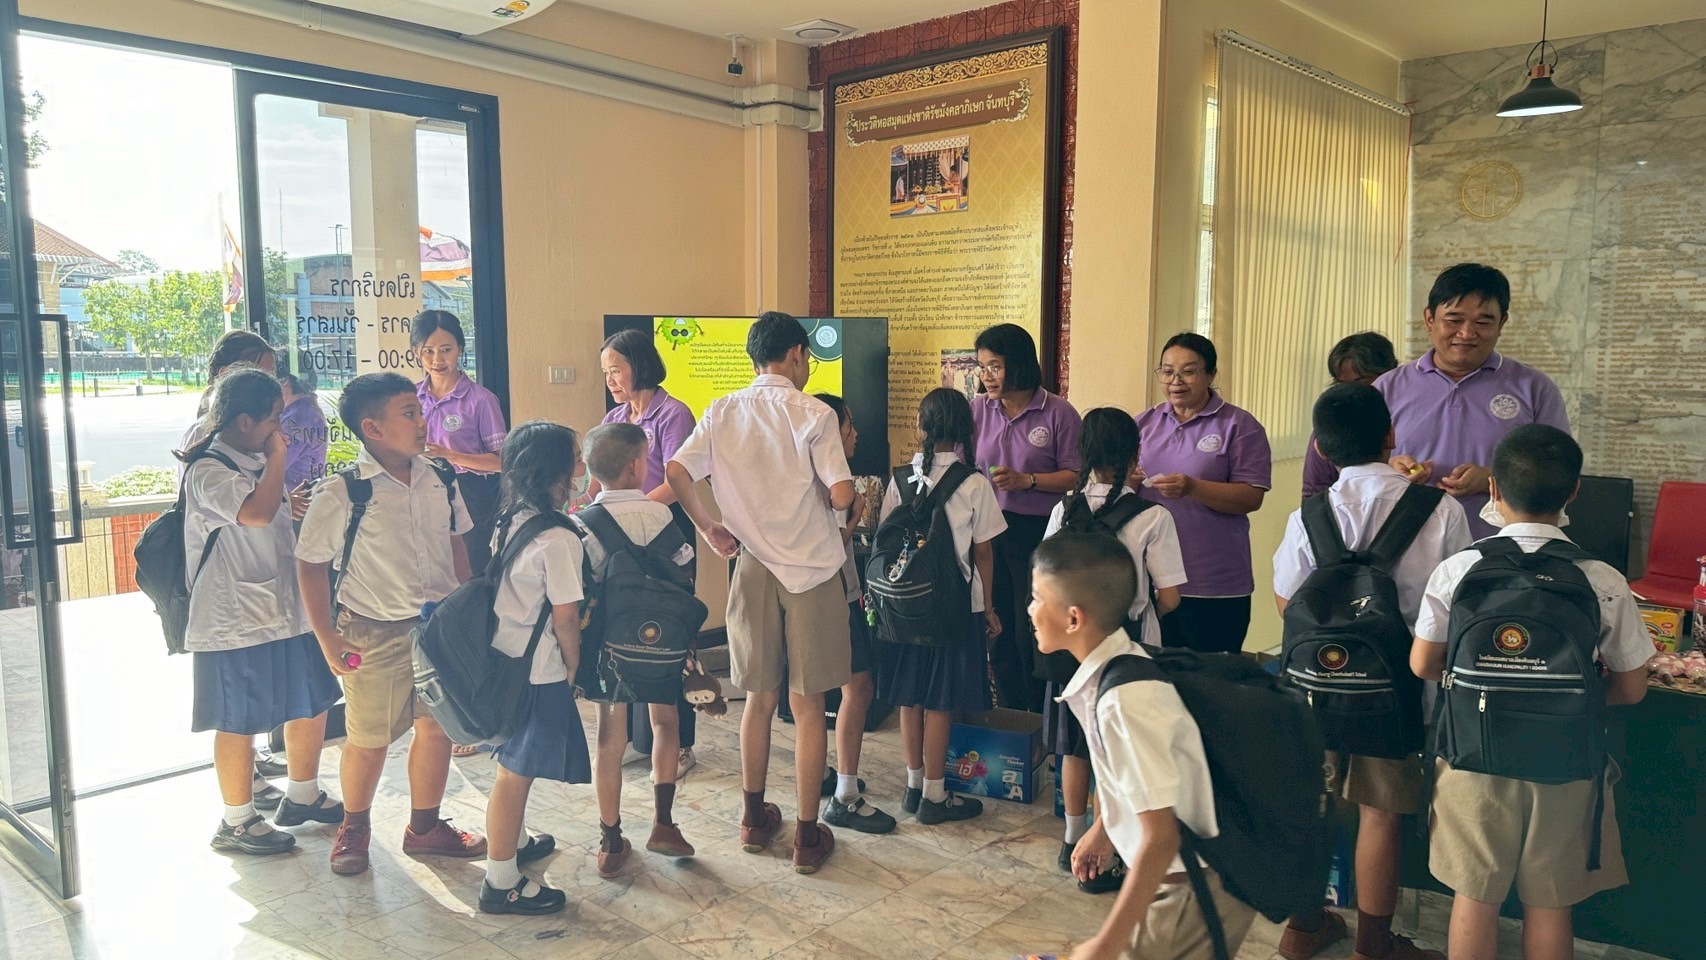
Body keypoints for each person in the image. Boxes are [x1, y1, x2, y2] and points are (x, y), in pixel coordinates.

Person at [1410, 425, 1648, 960]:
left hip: (1473, 753)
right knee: (1550, 904)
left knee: (1475, 898)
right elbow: (1632, 688)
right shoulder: (1603, 579)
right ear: (1573, 493)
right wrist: (1568, 698)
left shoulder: (1458, 569)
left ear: (1493, 488)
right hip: (1565, 759)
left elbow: (1423, 663)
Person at [1272, 383, 1470, 960]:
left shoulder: (1308, 514)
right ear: (1390, 435)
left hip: (1314, 687)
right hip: (1400, 689)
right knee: (1381, 814)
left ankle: (1303, 928)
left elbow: (1287, 603)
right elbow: (1457, 606)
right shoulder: (1441, 510)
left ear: (1320, 447)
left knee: (1313, 802)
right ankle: (1373, 947)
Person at [666, 311, 855, 874]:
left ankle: (752, 820)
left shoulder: (722, 410)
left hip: (750, 567)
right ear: (796, 354)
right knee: (809, 704)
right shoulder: (815, 412)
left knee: (758, 698)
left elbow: (677, 471)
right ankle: (806, 837)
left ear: (754, 357)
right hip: (810, 572)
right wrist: (843, 496)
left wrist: (709, 526)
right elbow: (841, 494)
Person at [295, 372, 485, 876]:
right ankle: (354, 827)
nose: (422, 422)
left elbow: (457, 544)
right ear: (372, 428)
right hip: (373, 630)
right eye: (409, 413)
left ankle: (425, 828)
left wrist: (468, 609)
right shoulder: (345, 491)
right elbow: (310, 565)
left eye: (419, 411)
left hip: (438, 628)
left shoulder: (441, 478)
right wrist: (327, 636)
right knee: (368, 737)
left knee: (436, 728)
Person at [1031, 533, 1255, 960]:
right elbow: (1141, 781)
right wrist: (1105, 828)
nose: (1029, 610)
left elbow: (1161, 837)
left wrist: (1105, 944)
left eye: (1037, 598)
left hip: (1192, 887)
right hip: (1180, 878)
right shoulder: (1119, 666)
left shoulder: (1124, 700)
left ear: (1073, 618)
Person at [179, 367, 342, 856]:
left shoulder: (254, 460)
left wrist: (284, 488)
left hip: (284, 608)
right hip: (235, 620)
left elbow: (271, 513)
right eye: (274, 419)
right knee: (238, 719)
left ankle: (302, 793)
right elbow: (254, 513)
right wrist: (278, 460)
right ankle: (237, 820)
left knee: (311, 700)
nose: (281, 429)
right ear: (244, 421)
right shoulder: (208, 468)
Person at [1041, 408, 1184, 894]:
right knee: (1117, 752)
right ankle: (1110, 851)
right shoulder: (1153, 517)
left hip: (1072, 647)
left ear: (1083, 453)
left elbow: (1047, 576)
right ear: (1134, 454)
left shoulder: (1063, 510)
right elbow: (1170, 596)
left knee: (1075, 745)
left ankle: (1071, 838)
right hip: (1127, 652)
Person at [573, 422, 700, 875]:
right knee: (665, 723)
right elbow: (685, 572)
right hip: (661, 644)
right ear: (635, 465)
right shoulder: (660, 515)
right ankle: (663, 823)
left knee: (610, 739)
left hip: (609, 652)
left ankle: (610, 839)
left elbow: (581, 587)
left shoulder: (584, 524)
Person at [876, 388, 1005, 826]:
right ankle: (935, 795)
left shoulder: (899, 479)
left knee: (910, 697)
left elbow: (886, 537)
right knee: (940, 700)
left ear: (921, 427)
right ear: (964, 430)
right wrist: (989, 607)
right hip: (954, 607)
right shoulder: (974, 483)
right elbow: (983, 552)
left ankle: (913, 786)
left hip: (905, 605)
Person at [479, 420, 591, 916]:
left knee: (511, 761)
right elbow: (566, 616)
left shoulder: (511, 517)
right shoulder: (558, 537)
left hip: (504, 658)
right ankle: (500, 881)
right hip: (538, 668)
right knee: (514, 774)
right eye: (575, 458)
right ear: (555, 470)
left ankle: (517, 842)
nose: (582, 466)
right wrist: (573, 667)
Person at [1375, 263, 1569, 539]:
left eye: (1482, 322)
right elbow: (1355, 468)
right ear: (1429, 319)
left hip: (1499, 550)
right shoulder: (1387, 388)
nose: (1466, 333)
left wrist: (1494, 479)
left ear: (1502, 323)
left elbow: (1559, 471)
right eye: (1454, 320)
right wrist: (1389, 469)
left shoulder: (1534, 388)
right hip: (1404, 545)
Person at [598, 329, 700, 775]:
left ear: (639, 365)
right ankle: (644, 739)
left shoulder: (674, 413)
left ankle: (680, 744)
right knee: (629, 631)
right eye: (606, 372)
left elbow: (677, 482)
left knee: (670, 636)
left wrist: (631, 510)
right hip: (625, 535)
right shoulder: (616, 417)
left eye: (616, 370)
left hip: (665, 533)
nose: (610, 380)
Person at [1135, 332, 1272, 653]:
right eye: (1167, 371)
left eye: (1188, 371)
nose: (1176, 381)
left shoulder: (1239, 425)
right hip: (1153, 579)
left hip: (1214, 582)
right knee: (1155, 675)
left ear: (1211, 374)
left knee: (1212, 677)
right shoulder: (1143, 423)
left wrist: (1194, 487)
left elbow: (1251, 497)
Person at [970, 322, 1082, 711]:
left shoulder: (1058, 412)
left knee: (1030, 627)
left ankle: (1040, 714)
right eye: (982, 367)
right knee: (996, 623)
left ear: (1018, 364)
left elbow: (1076, 475)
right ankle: (1010, 713)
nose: (987, 376)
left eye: (995, 366)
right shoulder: (978, 410)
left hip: (1036, 532)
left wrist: (1029, 480)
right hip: (987, 530)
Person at [814, 393, 896, 835]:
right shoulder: (834, 483)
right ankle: (845, 795)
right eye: (848, 425)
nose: (856, 434)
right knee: (859, 688)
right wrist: (855, 517)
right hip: (836, 595)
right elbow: (830, 546)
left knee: (808, 693)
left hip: (806, 596)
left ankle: (820, 773)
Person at [414, 310, 507, 573]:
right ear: (416, 352)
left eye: (446, 350)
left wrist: (451, 455)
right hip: (419, 489)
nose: (437, 359)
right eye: (428, 351)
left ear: (460, 350)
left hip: (469, 493)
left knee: (471, 570)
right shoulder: (410, 397)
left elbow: (502, 462)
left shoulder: (481, 400)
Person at [1302, 333, 1398, 499]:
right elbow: (1314, 493)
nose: (1352, 393)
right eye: (1343, 385)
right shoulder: (1333, 423)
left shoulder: (1410, 411)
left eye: (1363, 383)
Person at [275, 350, 327, 492]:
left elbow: (269, 469)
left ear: (284, 380)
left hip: (292, 501)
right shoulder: (303, 410)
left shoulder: (299, 418)